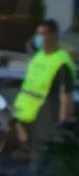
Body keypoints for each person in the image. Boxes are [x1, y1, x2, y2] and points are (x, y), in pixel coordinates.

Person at [13, 18, 75, 156]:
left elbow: (66, 97)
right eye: (38, 34)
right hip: (25, 118)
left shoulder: (62, 62)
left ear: (54, 36)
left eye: (44, 34)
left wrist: (62, 125)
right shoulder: (38, 56)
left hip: (46, 119)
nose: (39, 38)